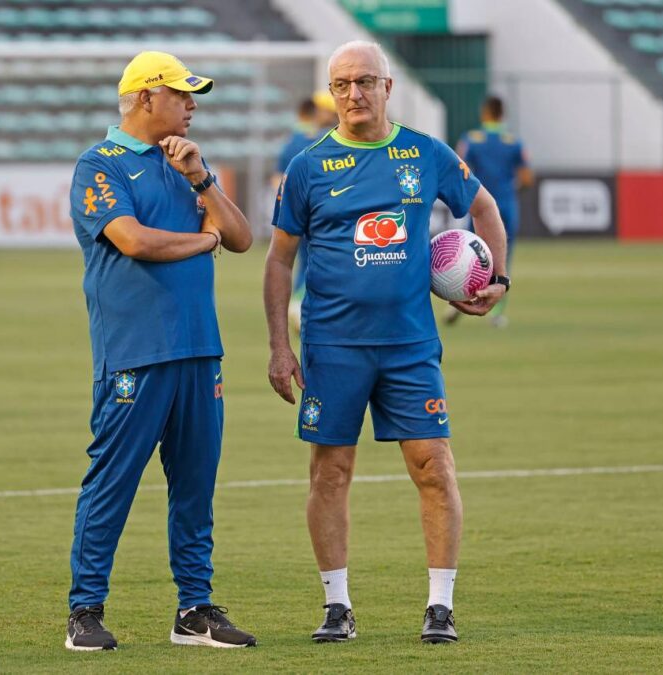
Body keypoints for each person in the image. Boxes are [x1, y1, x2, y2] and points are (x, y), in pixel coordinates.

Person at [264, 41, 510, 645]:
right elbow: (278, 262)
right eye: (342, 84)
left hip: (408, 346)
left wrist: (497, 278)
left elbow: (484, 207)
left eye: (364, 82)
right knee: (330, 473)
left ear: (387, 87)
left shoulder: (425, 153)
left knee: (433, 467)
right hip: (333, 346)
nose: (353, 94)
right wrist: (278, 345)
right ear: (332, 92)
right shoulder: (308, 165)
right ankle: (337, 607)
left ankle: (440, 607)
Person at [65, 50, 255, 652]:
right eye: (181, 94)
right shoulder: (101, 165)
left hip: (200, 351)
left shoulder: (189, 165)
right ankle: (85, 612)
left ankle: (194, 610)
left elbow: (244, 237)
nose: (192, 105)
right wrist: (205, 240)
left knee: (196, 487)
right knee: (113, 483)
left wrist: (201, 178)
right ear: (146, 98)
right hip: (134, 354)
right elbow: (134, 241)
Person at [451, 95, 532, 328]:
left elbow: (459, 169)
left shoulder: (472, 139)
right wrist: (508, 188)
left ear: (485, 113)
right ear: (502, 114)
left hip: (479, 207)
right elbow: (527, 178)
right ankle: (497, 312)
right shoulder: (514, 142)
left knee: (469, 255)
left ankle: (459, 296)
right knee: (503, 258)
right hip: (506, 205)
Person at [274, 92, 339, 332]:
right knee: (318, 260)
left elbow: (277, 179)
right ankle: (300, 305)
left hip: (297, 212)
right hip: (321, 213)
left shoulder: (295, 139)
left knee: (303, 260)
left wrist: (287, 206)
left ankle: (300, 305)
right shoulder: (328, 140)